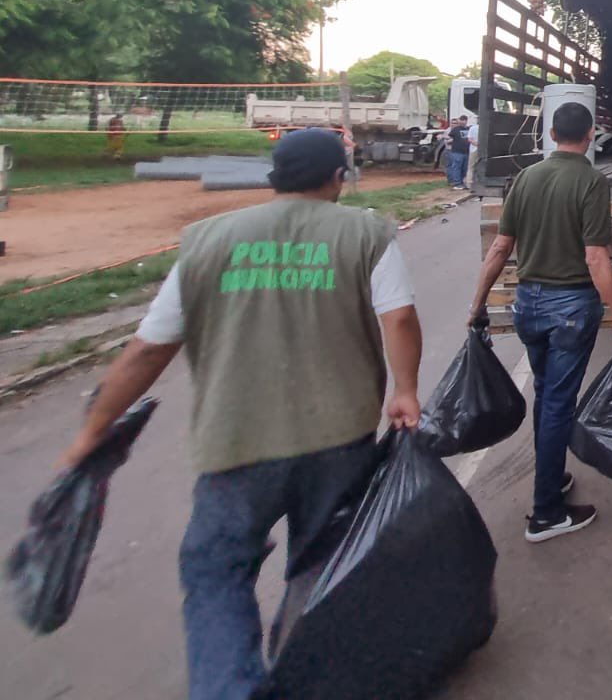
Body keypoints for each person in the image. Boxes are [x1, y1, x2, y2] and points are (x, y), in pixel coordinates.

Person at [53, 128, 423, 700]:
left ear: (273, 177)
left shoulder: (208, 241)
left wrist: (93, 431)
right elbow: (397, 317)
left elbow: (149, 348)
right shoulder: (364, 232)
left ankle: (230, 689)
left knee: (217, 578)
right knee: (324, 566)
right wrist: (405, 390)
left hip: (235, 446)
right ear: (337, 178)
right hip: (339, 437)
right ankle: (318, 676)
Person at [468, 102, 612, 543]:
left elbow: (499, 248)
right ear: (589, 136)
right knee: (557, 405)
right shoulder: (590, 180)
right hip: (569, 310)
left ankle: (551, 475)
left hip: (528, 305)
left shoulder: (526, 177)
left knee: (548, 397)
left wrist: (477, 306)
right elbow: (595, 256)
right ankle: (546, 511)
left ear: (550, 133)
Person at [444, 115, 471, 190]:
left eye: (464, 120)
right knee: (456, 167)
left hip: (466, 152)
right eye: (461, 120)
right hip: (457, 152)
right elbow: (448, 137)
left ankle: (461, 182)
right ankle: (456, 183)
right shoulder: (455, 129)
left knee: (464, 168)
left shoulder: (469, 129)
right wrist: (446, 138)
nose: (462, 121)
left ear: (466, 121)